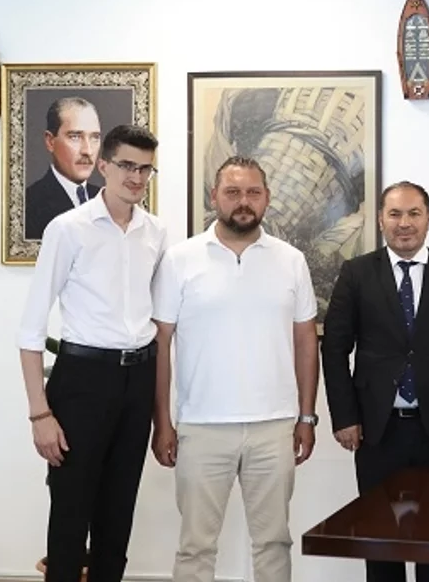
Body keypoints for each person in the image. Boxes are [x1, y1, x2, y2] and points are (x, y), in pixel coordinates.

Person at [150, 156, 320, 582]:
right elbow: (161, 343)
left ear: (266, 198)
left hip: (274, 427)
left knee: (274, 542)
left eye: (253, 192)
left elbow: (306, 341)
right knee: (196, 546)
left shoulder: (291, 260)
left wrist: (306, 416)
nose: (243, 201)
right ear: (214, 197)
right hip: (201, 426)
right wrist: (162, 422)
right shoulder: (180, 259)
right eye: (233, 192)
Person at [321, 180, 429, 582]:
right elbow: (334, 349)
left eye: (414, 213)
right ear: (381, 219)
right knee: (380, 540)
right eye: (395, 214)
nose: (404, 223)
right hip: (375, 431)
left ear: (428, 219)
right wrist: (345, 417)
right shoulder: (357, 273)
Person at [16, 124, 165, 582]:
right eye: (126, 166)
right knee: (70, 513)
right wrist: (40, 414)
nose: (136, 177)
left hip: (138, 380)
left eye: (145, 169)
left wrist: (161, 414)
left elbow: (161, 324)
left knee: (117, 515)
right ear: (103, 166)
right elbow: (30, 329)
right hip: (82, 380)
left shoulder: (155, 232)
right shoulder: (68, 229)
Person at [25, 96, 102, 239]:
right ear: (50, 142)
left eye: (95, 137)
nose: (88, 150)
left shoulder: (106, 200)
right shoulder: (28, 205)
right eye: (75, 137)